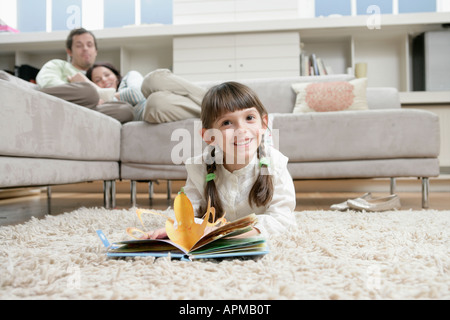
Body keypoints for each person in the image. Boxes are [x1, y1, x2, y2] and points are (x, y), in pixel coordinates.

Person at [142, 81, 296, 239]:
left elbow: (282, 219)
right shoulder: (199, 166)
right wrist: (175, 228)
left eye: (249, 117)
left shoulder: (275, 163)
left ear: (263, 123)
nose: (241, 130)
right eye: (227, 123)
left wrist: (227, 232)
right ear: (209, 136)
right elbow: (188, 210)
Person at [36, 28, 134, 123]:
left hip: (92, 108)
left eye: (89, 45)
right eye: (79, 46)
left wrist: (96, 98)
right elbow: (47, 82)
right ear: (69, 51)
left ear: (96, 51)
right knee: (88, 91)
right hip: (63, 100)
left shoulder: (96, 74)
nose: (85, 49)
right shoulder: (58, 65)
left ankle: (77, 117)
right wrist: (75, 88)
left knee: (126, 109)